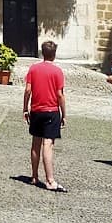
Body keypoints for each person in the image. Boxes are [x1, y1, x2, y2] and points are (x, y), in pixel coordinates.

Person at [22, 39, 67, 191]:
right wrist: (64, 114)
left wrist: (25, 108)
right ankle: (50, 180)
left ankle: (34, 176)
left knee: (35, 143)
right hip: (51, 111)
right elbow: (60, 95)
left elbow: (28, 90)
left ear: (42, 52)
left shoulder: (33, 69)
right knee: (48, 145)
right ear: (54, 54)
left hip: (36, 110)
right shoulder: (57, 71)